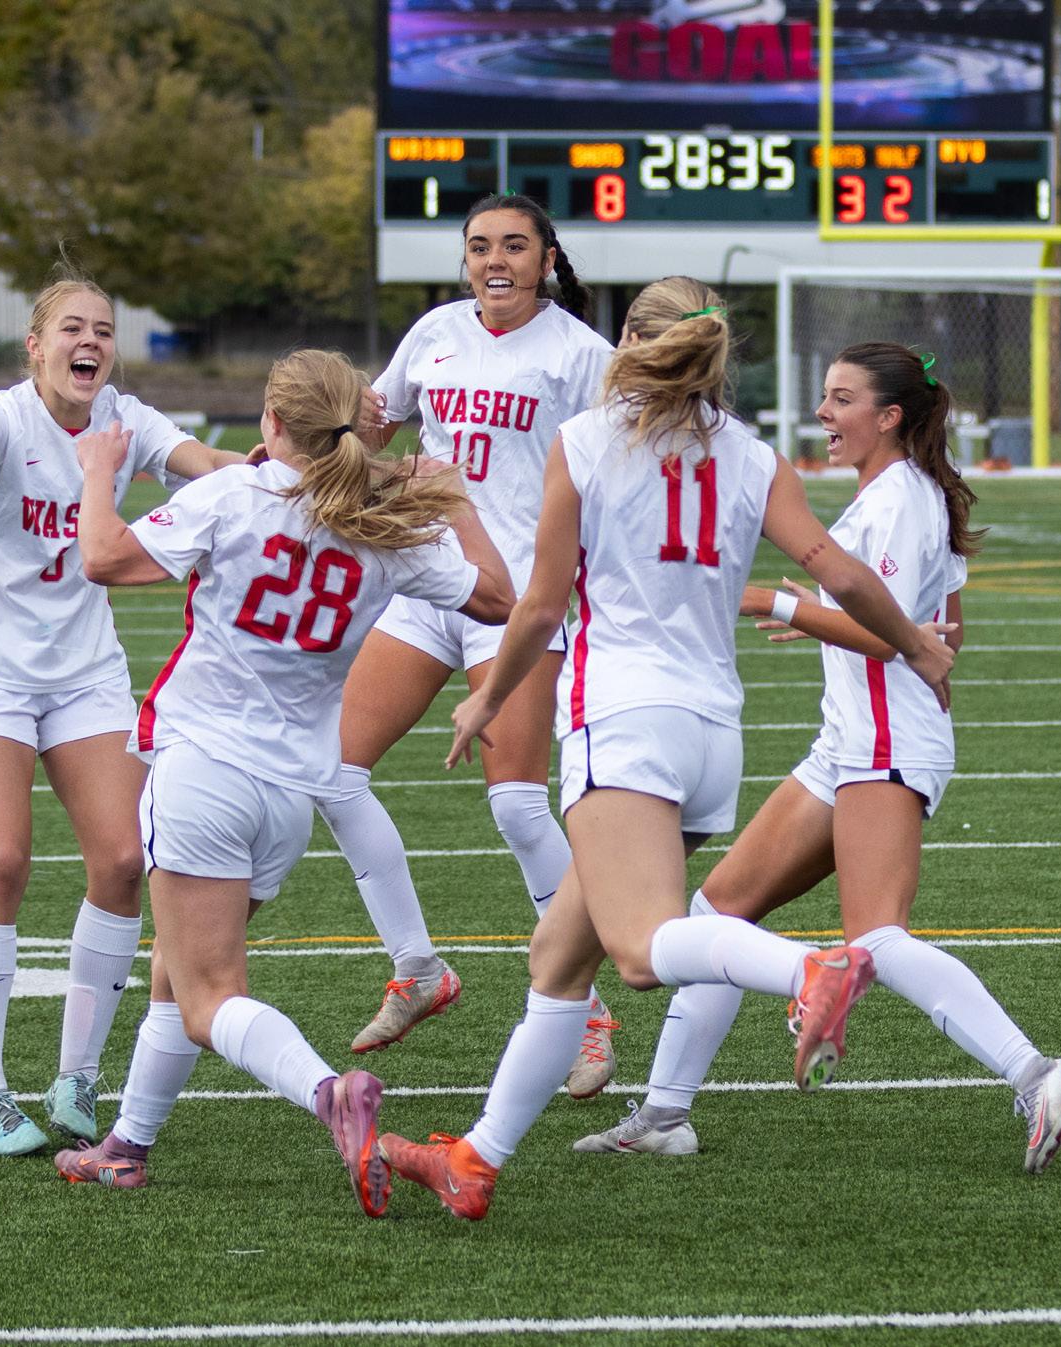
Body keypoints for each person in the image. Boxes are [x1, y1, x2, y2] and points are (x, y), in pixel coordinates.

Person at [374, 281, 958, 1221]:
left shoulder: (586, 440)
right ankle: (474, 1160)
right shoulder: (755, 454)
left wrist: (488, 694)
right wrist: (917, 645)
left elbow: (541, 604)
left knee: (642, 951)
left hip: (624, 719)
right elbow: (839, 573)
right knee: (558, 959)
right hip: (710, 734)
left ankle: (809, 970)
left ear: (630, 345)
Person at [573, 342, 1061, 1175]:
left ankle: (1036, 1072)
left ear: (889, 416)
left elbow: (894, 638)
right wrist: (827, 617)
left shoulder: (900, 498)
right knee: (716, 911)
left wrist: (775, 602)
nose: (823, 413)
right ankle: (664, 1115)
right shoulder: (901, 494)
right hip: (848, 742)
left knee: (876, 936)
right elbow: (939, 631)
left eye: (842, 399)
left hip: (884, 738)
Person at [51, 349, 514, 1214]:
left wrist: (98, 471)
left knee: (208, 997)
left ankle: (329, 1093)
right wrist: (452, 496)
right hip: (290, 797)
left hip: (204, 772)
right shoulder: (380, 525)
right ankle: (126, 1145)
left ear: (272, 422)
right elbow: (498, 598)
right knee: (178, 968)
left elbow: (103, 557)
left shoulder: (234, 495)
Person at [0, 271, 277, 1157]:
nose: (91, 342)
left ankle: (76, 1076)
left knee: (122, 860)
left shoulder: (123, 418)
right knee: (3, 859)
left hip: (85, 671)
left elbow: (201, 460)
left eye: (104, 329)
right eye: (73, 328)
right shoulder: (6, 416)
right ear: (36, 346)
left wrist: (278, 470)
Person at [318, 193, 622, 1095]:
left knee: (518, 805)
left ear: (547, 259)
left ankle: (585, 1008)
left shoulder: (582, 355)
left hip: (521, 598)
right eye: (481, 245)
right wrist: (320, 442)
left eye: (515, 246)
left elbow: (626, 467)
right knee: (329, 771)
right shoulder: (435, 332)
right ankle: (419, 968)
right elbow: (374, 429)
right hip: (427, 580)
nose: (496, 260)